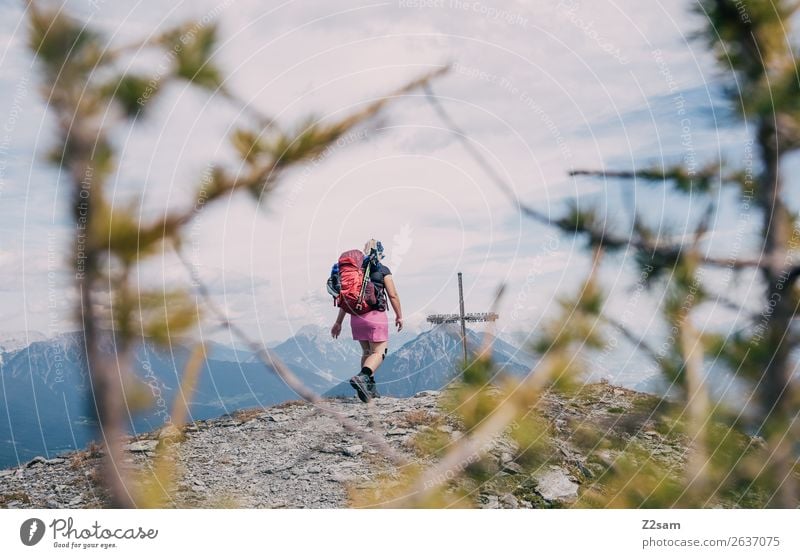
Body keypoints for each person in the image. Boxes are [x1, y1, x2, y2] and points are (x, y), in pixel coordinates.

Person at [331, 239, 403, 402]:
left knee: (367, 352)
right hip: (375, 317)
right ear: (380, 252)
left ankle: (369, 388)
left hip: (355, 317)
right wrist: (399, 315)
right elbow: (392, 295)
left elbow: (347, 299)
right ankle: (363, 377)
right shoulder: (383, 270)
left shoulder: (357, 272)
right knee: (379, 352)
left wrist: (338, 322)